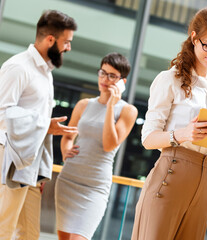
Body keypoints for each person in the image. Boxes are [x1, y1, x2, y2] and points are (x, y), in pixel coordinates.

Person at [131, 6, 207, 240]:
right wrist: (183, 134)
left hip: (203, 182)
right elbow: (147, 138)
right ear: (194, 37)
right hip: (171, 173)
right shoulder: (170, 79)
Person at [0, 10, 77, 240]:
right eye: (67, 42)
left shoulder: (45, 72)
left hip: (30, 163)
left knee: (30, 234)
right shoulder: (18, 67)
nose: (68, 48)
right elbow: (2, 113)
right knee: (4, 227)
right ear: (50, 40)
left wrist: (39, 170)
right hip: (10, 158)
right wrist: (45, 126)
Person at [55, 52, 138, 240]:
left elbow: (110, 144)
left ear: (122, 82)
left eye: (112, 76)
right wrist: (66, 149)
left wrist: (110, 106)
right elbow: (68, 136)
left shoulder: (128, 111)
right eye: (103, 73)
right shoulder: (84, 104)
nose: (105, 79)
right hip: (69, 180)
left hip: (95, 186)